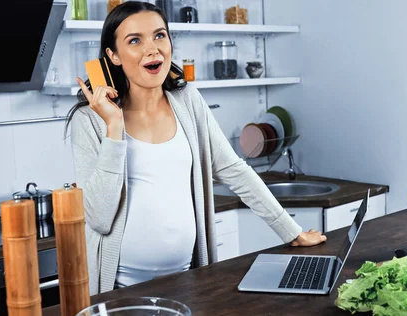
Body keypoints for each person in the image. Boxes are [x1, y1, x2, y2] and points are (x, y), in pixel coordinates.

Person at [65, 1, 328, 295]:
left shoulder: (188, 100)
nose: (152, 49)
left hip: (187, 280)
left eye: (159, 35)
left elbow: (234, 170)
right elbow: (99, 218)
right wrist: (114, 128)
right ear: (113, 55)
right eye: (135, 40)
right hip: (117, 291)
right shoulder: (88, 120)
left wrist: (291, 231)